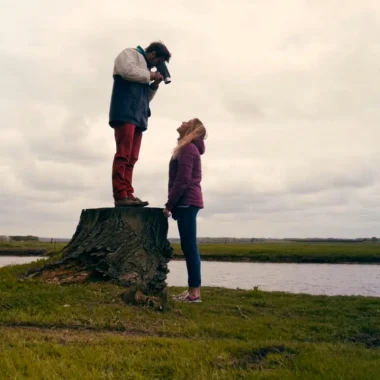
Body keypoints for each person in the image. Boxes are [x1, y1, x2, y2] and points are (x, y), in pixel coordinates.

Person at [109, 41, 171, 207]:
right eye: (158, 62)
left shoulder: (145, 71)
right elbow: (126, 71)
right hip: (124, 112)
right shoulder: (129, 54)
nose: (157, 66)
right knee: (123, 154)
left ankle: (128, 193)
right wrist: (151, 75)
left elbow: (146, 98)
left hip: (139, 117)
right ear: (152, 54)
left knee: (132, 158)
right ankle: (120, 195)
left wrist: (155, 85)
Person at [163, 118, 207, 303]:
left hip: (187, 202)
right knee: (189, 246)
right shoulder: (187, 148)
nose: (182, 122)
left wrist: (169, 205)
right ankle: (193, 292)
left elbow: (183, 181)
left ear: (191, 129)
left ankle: (194, 294)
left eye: (186, 122)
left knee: (190, 247)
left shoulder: (188, 149)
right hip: (187, 202)